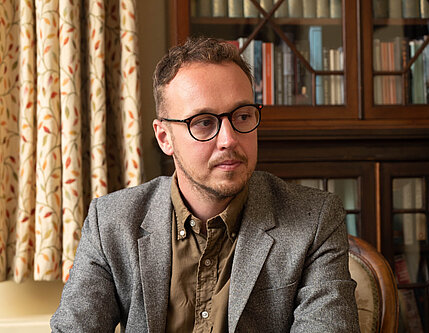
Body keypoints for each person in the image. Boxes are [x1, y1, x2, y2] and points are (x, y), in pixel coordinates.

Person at [51, 37, 360, 333]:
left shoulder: (315, 219)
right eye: (203, 122)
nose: (229, 139)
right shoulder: (111, 222)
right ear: (164, 138)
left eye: (241, 116)